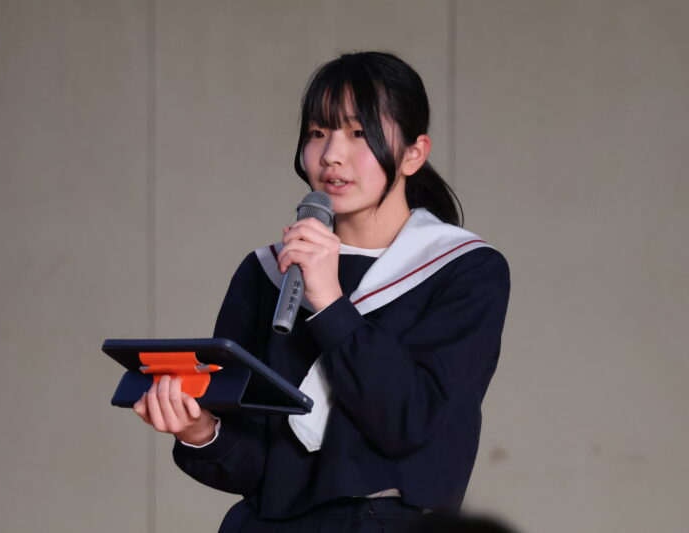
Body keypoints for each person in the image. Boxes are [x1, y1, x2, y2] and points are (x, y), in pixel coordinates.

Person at [133, 51, 511, 532]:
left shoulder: (464, 270)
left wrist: (330, 301)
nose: (332, 154)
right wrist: (199, 430)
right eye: (317, 132)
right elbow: (254, 468)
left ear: (414, 153)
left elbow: (407, 423)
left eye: (359, 133)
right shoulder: (267, 271)